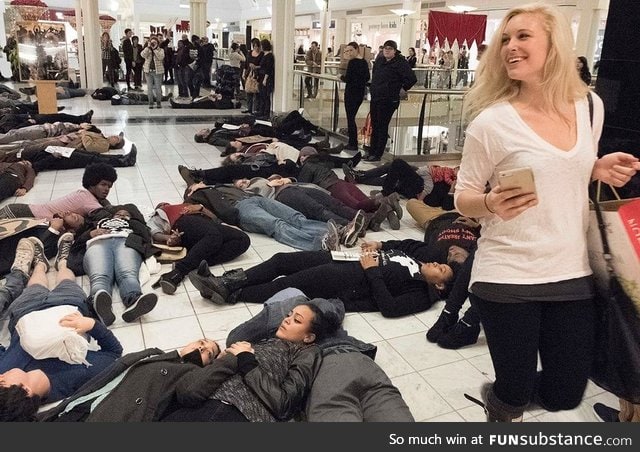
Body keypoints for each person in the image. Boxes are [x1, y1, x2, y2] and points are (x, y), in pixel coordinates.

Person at [454, 3, 640, 422]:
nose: (510, 47)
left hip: (571, 270)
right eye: (505, 39)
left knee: (565, 393)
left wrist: (595, 167)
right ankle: (503, 409)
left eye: (522, 36)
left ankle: (500, 400)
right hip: (507, 273)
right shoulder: (492, 122)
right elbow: (462, 195)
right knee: (516, 390)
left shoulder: (589, 107)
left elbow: (564, 167)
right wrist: (487, 203)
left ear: (553, 44)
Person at [0, 237, 123, 421]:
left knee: (35, 284)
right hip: (68, 306)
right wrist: (92, 326)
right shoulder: (74, 378)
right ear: (25, 389)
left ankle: (40, 264)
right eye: (2, 382)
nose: (1, 376)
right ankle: (63, 262)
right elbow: (114, 353)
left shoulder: (4, 368)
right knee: (67, 280)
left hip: (27, 310)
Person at [189, 248, 455, 318]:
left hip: (348, 280)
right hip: (342, 259)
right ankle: (226, 281)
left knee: (287, 284)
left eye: (441, 270)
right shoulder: (415, 261)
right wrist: (379, 246)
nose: (436, 264)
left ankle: (232, 293)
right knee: (282, 260)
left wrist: (373, 271)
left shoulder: (422, 293)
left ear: (440, 286)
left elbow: (390, 308)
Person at [38, 337, 222, 422]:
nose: (201, 349)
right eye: (201, 343)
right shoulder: (153, 353)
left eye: (208, 353)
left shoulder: (188, 373)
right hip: (82, 405)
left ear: (209, 364)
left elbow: (191, 392)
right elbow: (105, 378)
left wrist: (227, 361)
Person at [185, 182, 342, 254]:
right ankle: (319, 244)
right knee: (276, 224)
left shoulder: (217, 186)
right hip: (240, 209)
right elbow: (205, 218)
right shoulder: (198, 197)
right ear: (191, 192)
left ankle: (337, 232)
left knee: (295, 217)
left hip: (255, 198)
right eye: (194, 185)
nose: (198, 183)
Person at [67, 205, 160, 326]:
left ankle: (134, 300)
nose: (121, 215)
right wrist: (91, 233)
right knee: (100, 276)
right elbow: (79, 238)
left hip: (126, 242)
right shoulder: (99, 222)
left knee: (127, 274)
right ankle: (98, 303)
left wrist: (133, 224)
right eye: (118, 214)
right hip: (98, 242)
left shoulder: (135, 224)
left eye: (125, 214)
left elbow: (146, 237)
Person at [146, 201, 251, 294]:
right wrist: (168, 238)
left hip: (207, 225)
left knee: (243, 239)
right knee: (214, 236)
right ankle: (177, 272)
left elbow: (215, 219)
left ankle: (191, 262)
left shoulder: (187, 204)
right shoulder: (158, 214)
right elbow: (155, 233)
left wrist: (201, 208)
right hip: (184, 224)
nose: (164, 203)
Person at [0, 162, 117, 221]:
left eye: (109, 186)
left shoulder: (84, 194)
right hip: (20, 214)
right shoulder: (87, 200)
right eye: (103, 184)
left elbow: (104, 205)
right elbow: (106, 217)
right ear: (92, 182)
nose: (107, 189)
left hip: (21, 210)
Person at [366, 40, 417, 162]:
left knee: (382, 126)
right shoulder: (380, 60)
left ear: (395, 50)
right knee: (375, 125)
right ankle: (371, 151)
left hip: (389, 100)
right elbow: (376, 76)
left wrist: (403, 88)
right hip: (376, 97)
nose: (387, 50)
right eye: (385, 48)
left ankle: (377, 154)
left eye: (390, 48)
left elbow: (411, 78)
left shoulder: (400, 63)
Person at [340, 42, 370, 151]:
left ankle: (353, 143)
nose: (349, 53)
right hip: (360, 92)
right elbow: (367, 77)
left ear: (357, 49)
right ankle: (353, 142)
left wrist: (341, 77)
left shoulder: (352, 63)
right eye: (347, 51)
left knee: (350, 118)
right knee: (351, 117)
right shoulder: (364, 62)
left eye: (351, 50)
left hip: (351, 92)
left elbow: (348, 78)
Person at [141, 37, 165, 109]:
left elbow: (161, 57)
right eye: (152, 42)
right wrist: (148, 48)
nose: (153, 44)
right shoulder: (148, 49)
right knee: (149, 88)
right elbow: (142, 55)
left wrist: (155, 50)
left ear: (157, 43)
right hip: (148, 71)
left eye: (155, 43)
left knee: (158, 88)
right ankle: (150, 103)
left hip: (158, 72)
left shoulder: (161, 50)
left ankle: (158, 102)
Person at [242, 38, 263, 115]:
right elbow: (246, 63)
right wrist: (244, 72)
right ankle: (249, 108)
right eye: (254, 46)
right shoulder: (250, 53)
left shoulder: (261, 54)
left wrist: (256, 66)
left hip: (257, 75)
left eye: (257, 46)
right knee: (248, 90)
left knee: (256, 91)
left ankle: (256, 109)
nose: (256, 48)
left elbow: (262, 65)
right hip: (249, 73)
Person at [257, 39, 274, 119]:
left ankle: (266, 113)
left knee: (265, 96)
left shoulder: (269, 56)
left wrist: (265, 79)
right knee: (262, 95)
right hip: (262, 77)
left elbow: (268, 68)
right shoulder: (264, 55)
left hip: (266, 78)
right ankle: (262, 111)